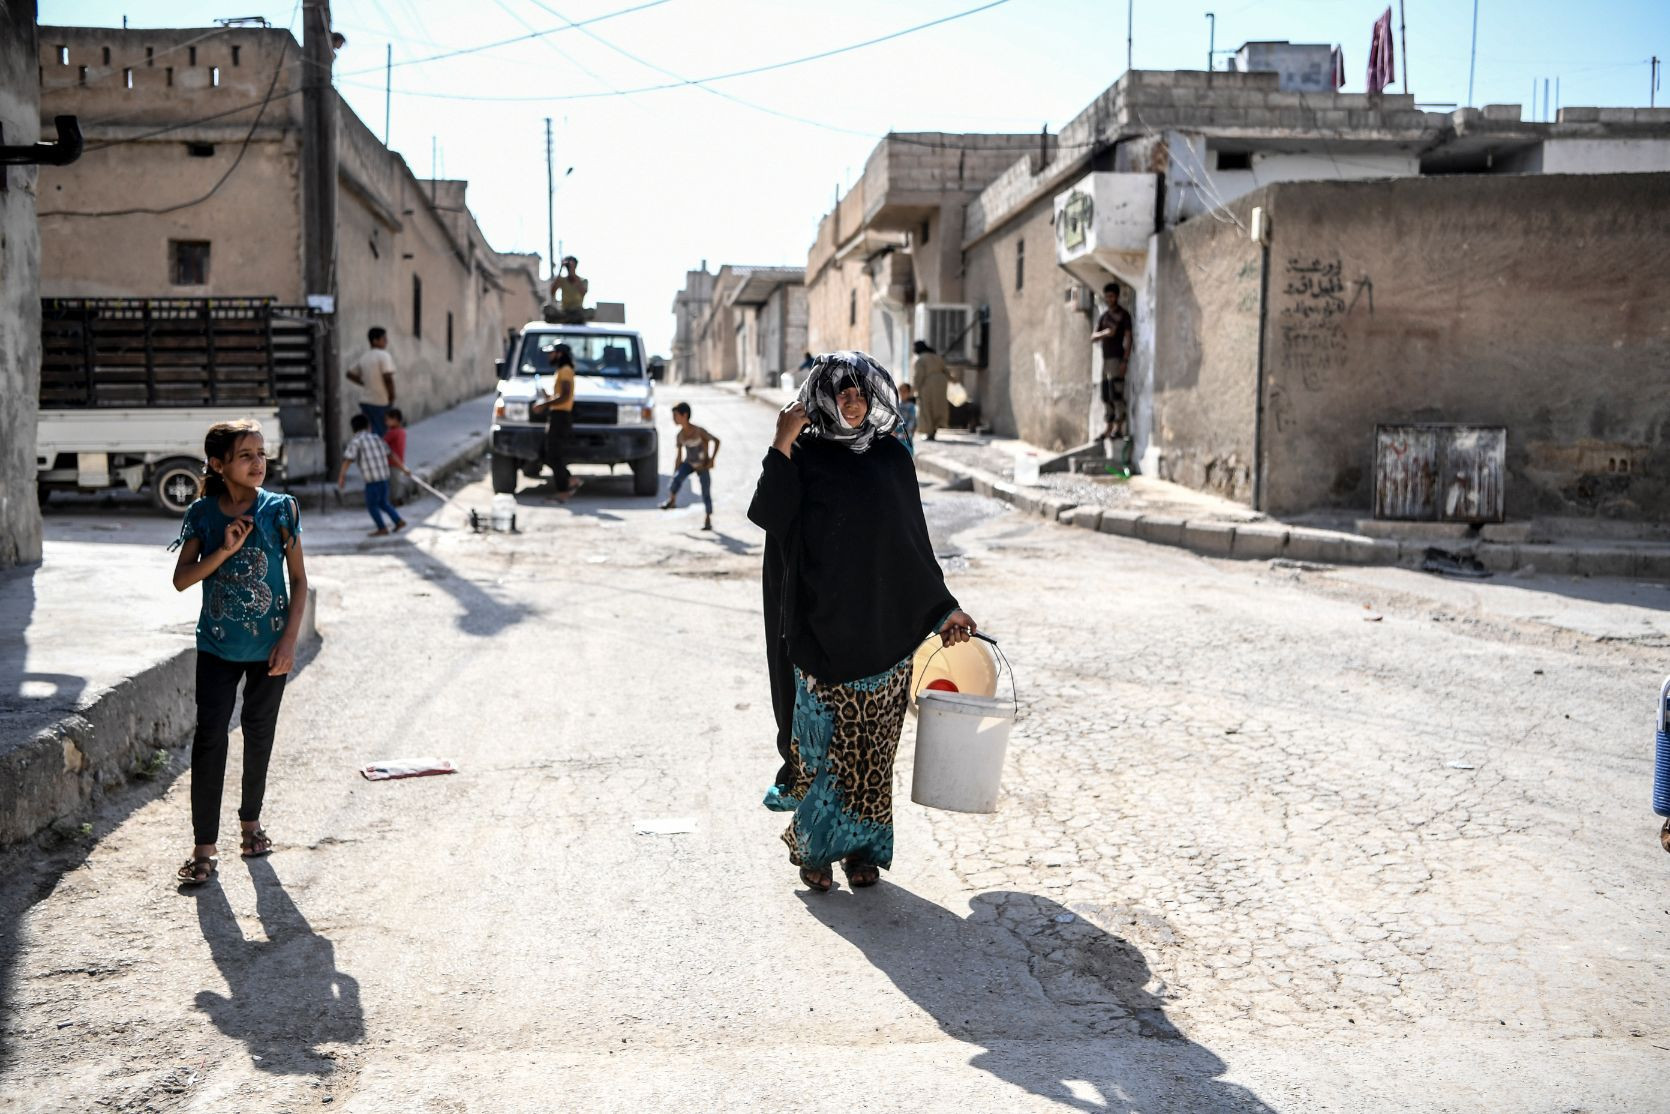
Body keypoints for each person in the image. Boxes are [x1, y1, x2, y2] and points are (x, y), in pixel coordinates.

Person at [748, 351, 979, 893]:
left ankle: (861, 854)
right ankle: (815, 852)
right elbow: (768, 514)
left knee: (874, 756)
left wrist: (944, 608)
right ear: (823, 398)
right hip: (818, 631)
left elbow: (913, 544)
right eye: (840, 392)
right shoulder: (803, 455)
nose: (851, 401)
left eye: (859, 391)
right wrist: (782, 438)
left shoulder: (892, 458)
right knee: (824, 753)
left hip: (883, 636)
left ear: (874, 395)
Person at [169, 419, 309, 886]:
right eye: (246, 455)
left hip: (270, 647)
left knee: (258, 732)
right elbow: (182, 578)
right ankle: (203, 849)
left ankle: (251, 825)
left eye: (261, 453)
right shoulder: (204, 515)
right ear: (218, 463)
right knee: (210, 739)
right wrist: (224, 552)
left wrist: (289, 639)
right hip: (216, 646)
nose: (258, 463)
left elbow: (300, 580)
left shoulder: (280, 511)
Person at [338, 413, 409, 536]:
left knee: (372, 505)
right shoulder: (377, 438)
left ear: (353, 428)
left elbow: (348, 459)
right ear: (368, 426)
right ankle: (398, 520)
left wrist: (341, 476)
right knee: (384, 503)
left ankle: (382, 528)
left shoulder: (356, 441)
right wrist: (403, 468)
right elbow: (391, 454)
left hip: (372, 481)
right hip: (384, 478)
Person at [533, 341, 582, 502]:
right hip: (556, 415)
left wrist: (544, 404)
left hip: (561, 417)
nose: (549, 356)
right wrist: (548, 397)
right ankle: (569, 480)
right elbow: (560, 395)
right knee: (545, 453)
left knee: (554, 455)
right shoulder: (561, 371)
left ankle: (563, 490)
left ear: (560, 354)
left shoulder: (566, 371)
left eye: (552, 353)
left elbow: (565, 396)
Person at [661, 401, 720, 530]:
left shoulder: (699, 431)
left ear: (685, 415)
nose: (674, 419)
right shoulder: (680, 436)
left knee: (706, 492)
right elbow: (679, 456)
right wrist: (676, 473)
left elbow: (716, 441)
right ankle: (672, 501)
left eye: (676, 415)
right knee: (676, 479)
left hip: (702, 465)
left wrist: (712, 460)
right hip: (688, 463)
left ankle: (708, 519)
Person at [1090, 282, 1133, 440]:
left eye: (1112, 296)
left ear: (1117, 296)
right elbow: (1093, 337)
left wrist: (1125, 361)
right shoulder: (1104, 317)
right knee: (1106, 395)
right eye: (1107, 296)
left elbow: (1129, 338)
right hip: (1105, 361)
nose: (1109, 299)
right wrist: (1106, 333)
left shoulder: (1123, 315)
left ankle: (1118, 428)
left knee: (1116, 394)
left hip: (1117, 360)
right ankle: (1108, 428)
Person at [346, 327, 396, 436]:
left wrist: (365, 383)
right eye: (383, 339)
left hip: (366, 401)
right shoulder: (384, 355)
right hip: (380, 401)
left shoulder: (365, 356)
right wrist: (392, 396)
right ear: (375, 341)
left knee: (369, 431)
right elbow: (387, 377)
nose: (386, 341)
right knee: (381, 433)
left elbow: (349, 374)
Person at [911, 340, 951, 441]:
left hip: (928, 383)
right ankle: (934, 429)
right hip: (941, 383)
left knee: (926, 407)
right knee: (938, 406)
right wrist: (952, 380)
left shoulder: (920, 359)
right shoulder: (937, 357)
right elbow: (946, 371)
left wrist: (914, 389)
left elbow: (919, 376)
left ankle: (929, 432)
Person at [548, 256, 590, 324]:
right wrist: (560, 270)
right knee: (547, 308)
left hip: (577, 311)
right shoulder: (562, 280)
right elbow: (552, 292)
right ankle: (565, 318)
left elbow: (583, 293)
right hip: (564, 311)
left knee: (590, 311)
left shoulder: (582, 280)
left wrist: (573, 273)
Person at [383, 407, 409, 502]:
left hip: (392, 463)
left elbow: (383, 444)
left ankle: (393, 501)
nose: (385, 422)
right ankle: (396, 500)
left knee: (393, 484)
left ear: (394, 419)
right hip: (398, 462)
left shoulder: (392, 433)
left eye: (387, 420)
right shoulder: (402, 432)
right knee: (396, 483)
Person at [894, 382, 918, 455]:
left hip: (906, 438)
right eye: (901, 391)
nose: (902, 394)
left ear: (909, 393)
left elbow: (912, 422)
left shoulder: (911, 407)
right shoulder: (898, 405)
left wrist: (901, 434)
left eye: (905, 391)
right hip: (897, 438)